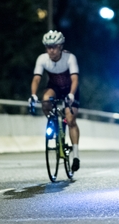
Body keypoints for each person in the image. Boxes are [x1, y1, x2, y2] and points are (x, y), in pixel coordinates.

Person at [30, 30, 81, 172]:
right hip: (55, 87)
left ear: (60, 47)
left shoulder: (70, 58)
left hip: (70, 88)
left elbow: (75, 79)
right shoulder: (42, 59)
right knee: (45, 101)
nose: (51, 50)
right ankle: (53, 123)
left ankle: (75, 155)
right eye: (48, 47)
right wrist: (33, 95)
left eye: (54, 47)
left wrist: (71, 94)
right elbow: (36, 78)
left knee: (70, 120)